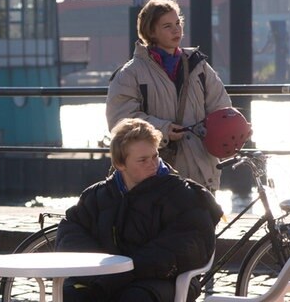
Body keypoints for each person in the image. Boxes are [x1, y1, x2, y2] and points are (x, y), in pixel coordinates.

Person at [55, 118, 222, 302]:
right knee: (72, 294)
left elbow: (185, 246)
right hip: (106, 278)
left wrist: (124, 271)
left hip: (164, 280)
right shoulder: (97, 195)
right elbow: (69, 232)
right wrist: (101, 271)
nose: (153, 164)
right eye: (143, 160)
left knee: (133, 297)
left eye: (155, 156)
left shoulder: (182, 194)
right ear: (120, 164)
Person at [106, 0, 232, 193]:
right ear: (151, 31)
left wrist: (234, 129)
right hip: (155, 176)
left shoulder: (199, 67)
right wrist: (163, 130)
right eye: (167, 26)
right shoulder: (130, 73)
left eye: (178, 23)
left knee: (202, 223)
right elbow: (120, 121)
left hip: (201, 171)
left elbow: (221, 107)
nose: (176, 30)